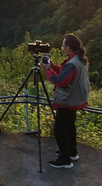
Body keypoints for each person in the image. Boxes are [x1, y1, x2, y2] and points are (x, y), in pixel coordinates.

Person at [40, 34, 90, 169]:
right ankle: (71, 152)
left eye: (63, 45)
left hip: (67, 101)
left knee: (59, 129)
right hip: (76, 99)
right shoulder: (80, 60)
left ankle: (65, 160)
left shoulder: (72, 64)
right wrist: (53, 67)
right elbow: (65, 74)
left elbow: (59, 81)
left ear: (68, 47)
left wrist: (47, 69)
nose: (62, 47)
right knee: (69, 127)